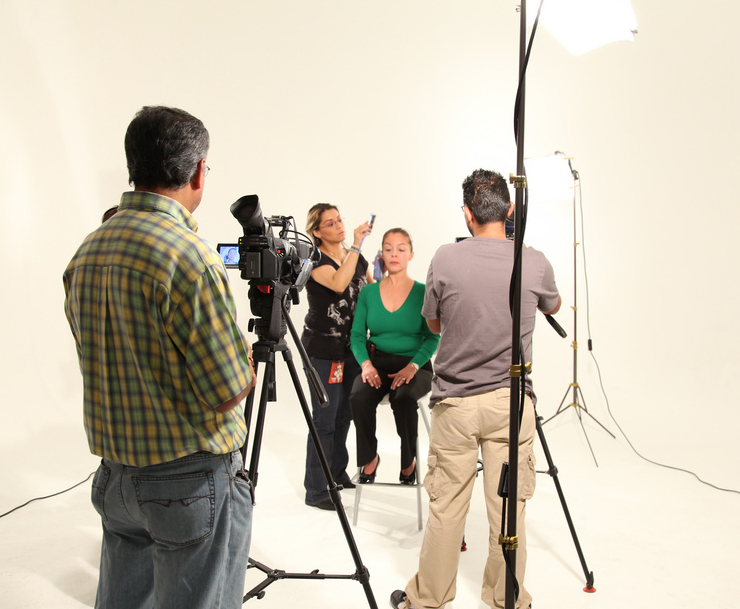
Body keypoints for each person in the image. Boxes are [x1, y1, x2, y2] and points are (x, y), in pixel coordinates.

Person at [63, 106, 256, 609]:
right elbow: (227, 391)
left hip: (115, 479)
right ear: (198, 172)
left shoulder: (88, 251)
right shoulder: (190, 257)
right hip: (188, 483)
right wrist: (246, 356)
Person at [391, 169, 561, 609]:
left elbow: (433, 324)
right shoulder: (534, 261)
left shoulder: (445, 258)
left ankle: (428, 599)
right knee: (509, 510)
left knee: (446, 507)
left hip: (456, 405)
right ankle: (507, 598)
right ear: (510, 210)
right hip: (510, 404)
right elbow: (554, 304)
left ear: (467, 214)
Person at [349, 228, 439, 485]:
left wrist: (413, 366)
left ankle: (408, 461)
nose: (394, 254)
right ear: (382, 254)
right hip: (376, 363)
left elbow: (433, 337)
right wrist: (366, 365)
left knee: (404, 398)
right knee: (358, 397)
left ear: (411, 254)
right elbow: (357, 335)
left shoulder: (423, 292)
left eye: (401, 249)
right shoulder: (369, 292)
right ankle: (369, 457)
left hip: (415, 365)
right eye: (388, 249)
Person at [301, 203, 374, 510]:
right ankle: (317, 490)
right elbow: (338, 283)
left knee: (345, 415)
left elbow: (372, 293)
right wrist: (356, 244)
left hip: (352, 350)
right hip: (323, 351)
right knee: (325, 420)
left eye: (339, 219)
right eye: (330, 223)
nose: (339, 226)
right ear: (316, 232)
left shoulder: (357, 258)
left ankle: (336, 472)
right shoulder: (314, 259)